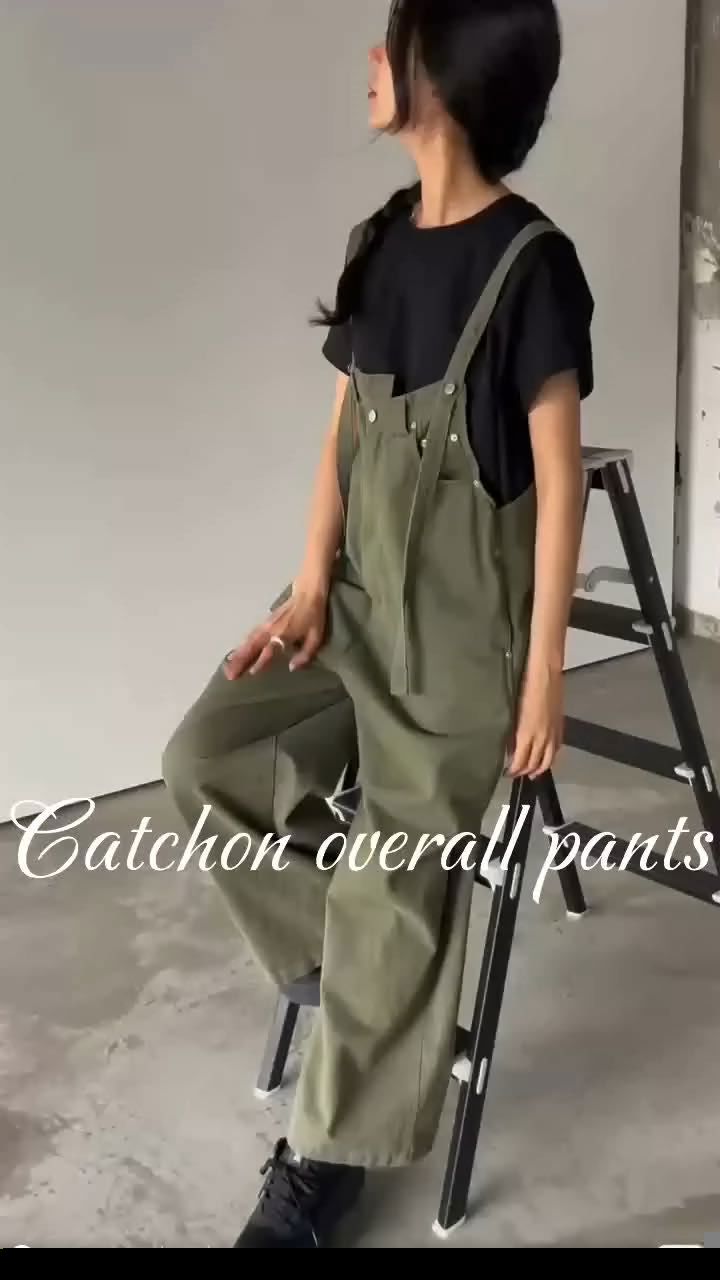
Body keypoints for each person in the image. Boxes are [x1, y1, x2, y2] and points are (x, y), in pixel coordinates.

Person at [162, 0, 594, 1249]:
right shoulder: (381, 241)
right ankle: (366, 982)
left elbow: (560, 479)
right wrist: (307, 587)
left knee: (396, 880)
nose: (370, 60)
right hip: (351, 613)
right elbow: (344, 436)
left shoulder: (533, 264)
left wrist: (546, 672)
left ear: (440, 71)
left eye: (390, 38)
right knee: (206, 759)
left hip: (462, 658)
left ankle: (326, 1161)